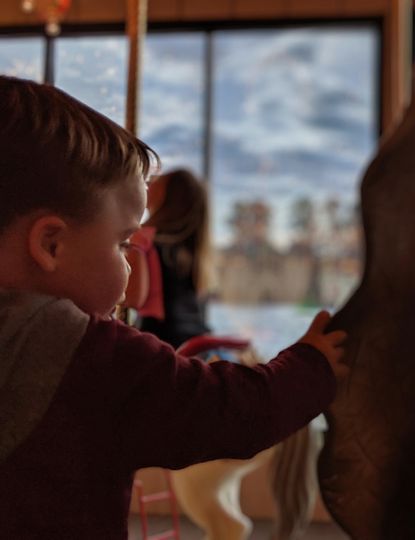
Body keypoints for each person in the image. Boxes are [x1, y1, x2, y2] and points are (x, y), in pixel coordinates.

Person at [0, 74, 347, 539]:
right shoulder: (97, 358)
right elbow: (234, 412)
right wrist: (313, 364)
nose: (129, 263)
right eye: (123, 244)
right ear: (51, 244)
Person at [125, 168, 212, 348]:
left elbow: (133, 298)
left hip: (162, 341)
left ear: (170, 197)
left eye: (156, 181)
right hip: (196, 341)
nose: (148, 185)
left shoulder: (143, 238)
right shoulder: (191, 250)